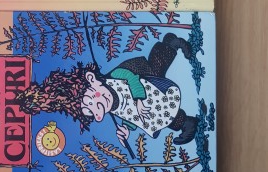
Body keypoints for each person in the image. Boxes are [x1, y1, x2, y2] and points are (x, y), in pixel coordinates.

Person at [17, 33, 198, 148]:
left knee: (156, 68)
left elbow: (131, 78)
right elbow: (130, 115)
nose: (96, 113)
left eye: (89, 102)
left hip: (143, 78)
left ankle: (171, 43)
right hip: (153, 104)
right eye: (90, 112)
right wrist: (127, 128)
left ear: (92, 80)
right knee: (159, 116)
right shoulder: (112, 108)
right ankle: (186, 123)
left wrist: (138, 99)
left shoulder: (115, 77)